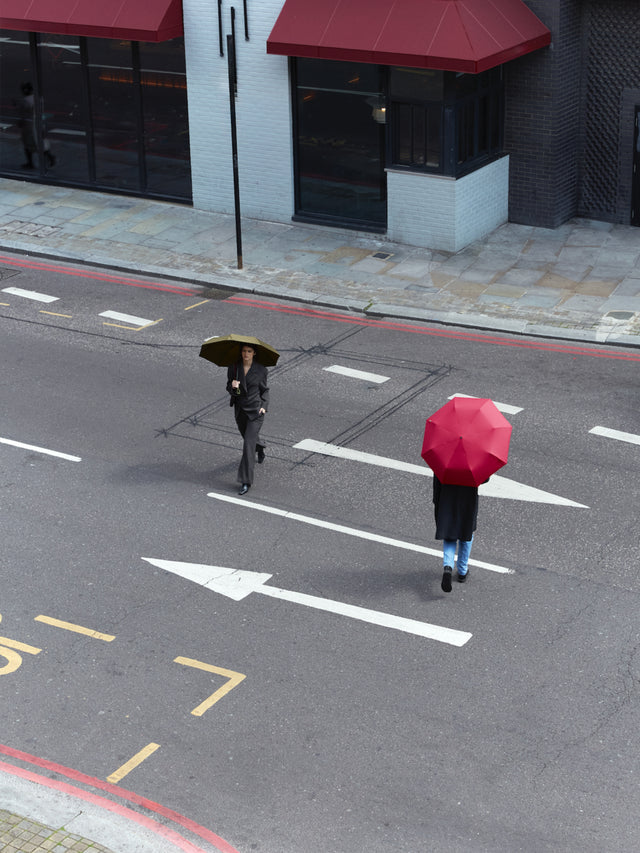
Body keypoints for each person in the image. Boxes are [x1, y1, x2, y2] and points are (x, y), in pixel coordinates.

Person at [226, 343, 269, 496]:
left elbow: (264, 390)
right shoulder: (234, 367)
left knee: (247, 445)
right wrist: (233, 386)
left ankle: (245, 481)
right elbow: (230, 388)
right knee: (249, 439)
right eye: (244, 351)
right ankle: (260, 447)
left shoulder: (261, 370)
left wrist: (264, 405)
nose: (246, 354)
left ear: (254, 353)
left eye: (249, 351)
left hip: (256, 412)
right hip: (240, 411)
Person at [433, 476, 480, 592]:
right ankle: (462, 571)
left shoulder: (444, 459)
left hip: (447, 500)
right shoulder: (473, 460)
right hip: (468, 501)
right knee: (466, 534)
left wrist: (437, 501)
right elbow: (484, 479)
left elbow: (437, 483)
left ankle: (448, 567)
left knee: (449, 536)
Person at [17, 82, 55, 170]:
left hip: (30, 126)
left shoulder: (25, 100)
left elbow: (24, 114)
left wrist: (20, 122)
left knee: (29, 144)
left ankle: (31, 163)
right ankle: (50, 158)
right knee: (41, 142)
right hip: (39, 122)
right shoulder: (39, 99)